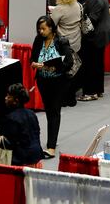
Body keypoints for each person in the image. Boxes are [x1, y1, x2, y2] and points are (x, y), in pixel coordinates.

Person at [30, 16, 71, 159]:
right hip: (43, 81)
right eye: (39, 29)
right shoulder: (38, 40)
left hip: (58, 82)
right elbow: (33, 57)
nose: (41, 31)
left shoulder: (61, 41)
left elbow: (69, 62)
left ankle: (51, 146)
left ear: (51, 28)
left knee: (54, 111)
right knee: (49, 111)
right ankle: (53, 137)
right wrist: (34, 64)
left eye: (43, 29)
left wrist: (55, 67)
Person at [0, 83, 43, 167]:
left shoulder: (11, 118)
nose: (5, 98)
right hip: (36, 156)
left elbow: (9, 142)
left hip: (22, 160)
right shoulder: (32, 114)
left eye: (8, 97)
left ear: (16, 101)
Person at [78, 0, 110, 101]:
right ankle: (98, 90)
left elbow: (91, 20)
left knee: (90, 65)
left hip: (96, 36)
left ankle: (90, 92)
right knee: (98, 64)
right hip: (103, 33)